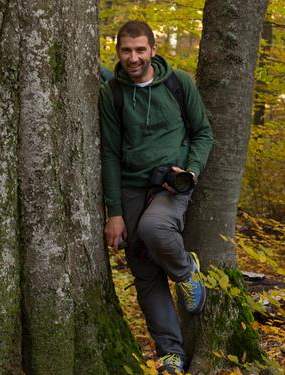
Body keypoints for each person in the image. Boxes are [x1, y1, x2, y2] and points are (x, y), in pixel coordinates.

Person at [99, 20, 214, 374]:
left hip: (170, 184)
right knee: (144, 271)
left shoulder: (179, 84)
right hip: (131, 186)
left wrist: (190, 172)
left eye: (140, 50)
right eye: (126, 51)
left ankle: (185, 271)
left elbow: (203, 133)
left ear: (153, 49)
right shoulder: (112, 93)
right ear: (118, 51)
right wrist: (114, 212)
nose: (133, 58)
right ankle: (171, 354)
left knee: (154, 229)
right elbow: (110, 155)